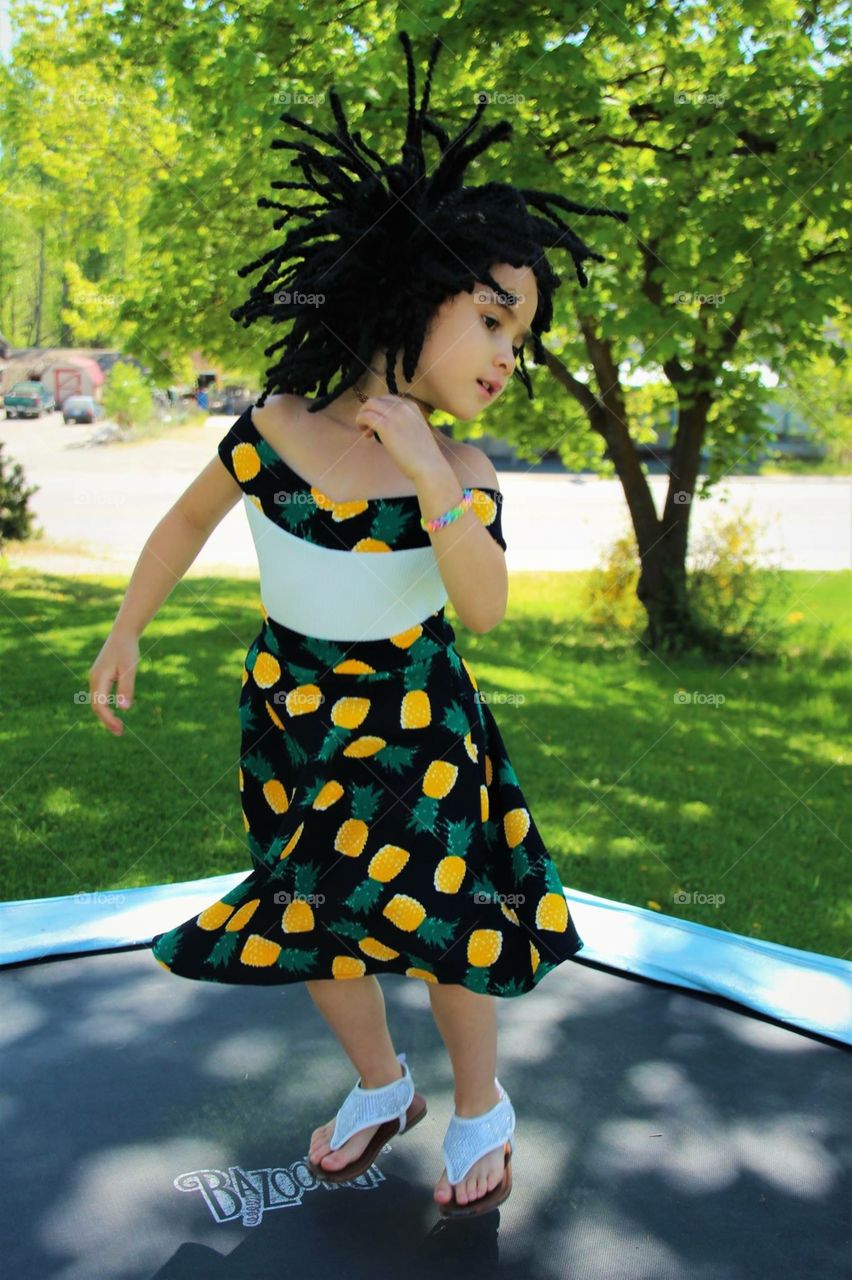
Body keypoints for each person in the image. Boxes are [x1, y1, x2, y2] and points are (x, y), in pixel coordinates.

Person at [87, 30, 627, 1219]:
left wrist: (432, 474)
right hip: (292, 716)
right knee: (316, 920)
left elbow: (482, 604)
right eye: (494, 319)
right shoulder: (270, 427)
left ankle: (481, 1099)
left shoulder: (465, 467)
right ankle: (381, 1084)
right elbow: (182, 525)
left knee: (440, 926)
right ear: (411, 291)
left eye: (521, 337)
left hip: (419, 728)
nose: (507, 355)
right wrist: (127, 626)